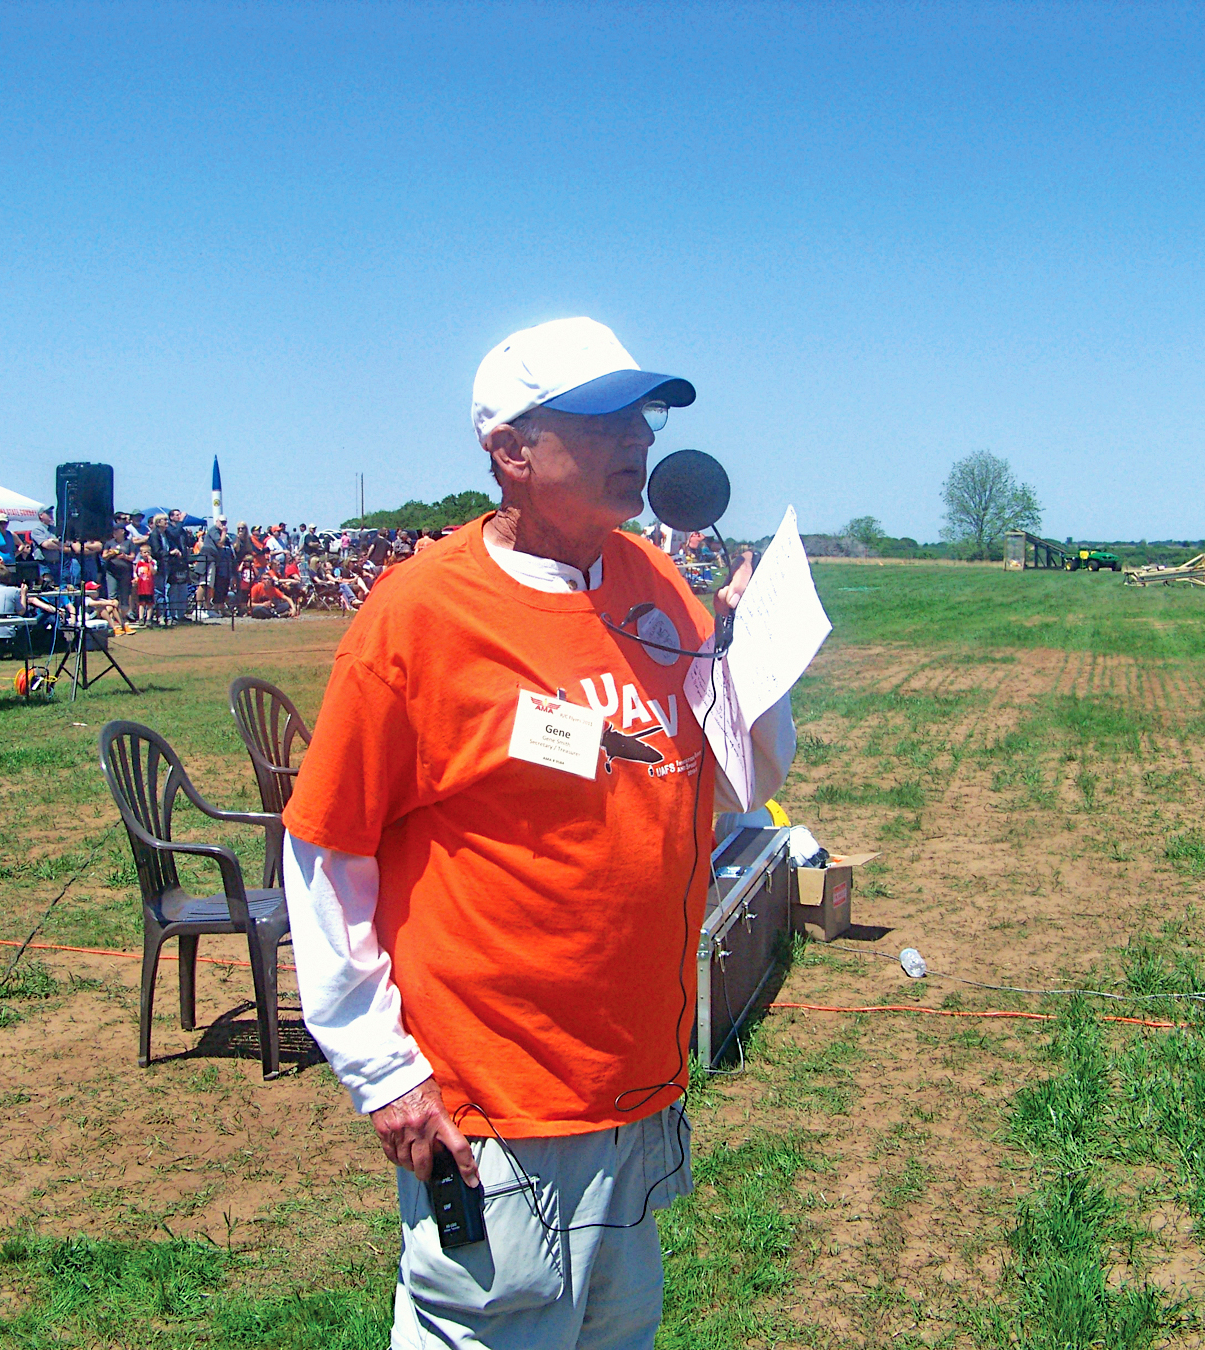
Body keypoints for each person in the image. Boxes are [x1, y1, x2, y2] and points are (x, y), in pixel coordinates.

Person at [281, 318, 795, 1349]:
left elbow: (742, 786)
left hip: (637, 1088)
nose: (640, 440)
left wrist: (758, 654)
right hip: (496, 1113)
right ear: (512, 451)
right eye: (604, 418)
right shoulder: (421, 614)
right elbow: (326, 854)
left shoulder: (655, 583)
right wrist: (384, 1073)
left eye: (643, 416)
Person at [132, 543, 158, 626]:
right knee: (141, 603)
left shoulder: (153, 562)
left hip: (149, 586)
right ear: (141, 554)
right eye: (145, 552)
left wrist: (150, 563)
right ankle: (141, 618)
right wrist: (135, 578)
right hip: (141, 586)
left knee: (150, 603)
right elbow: (135, 572)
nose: (146, 554)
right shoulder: (139, 563)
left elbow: (154, 572)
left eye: (148, 552)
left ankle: (148, 618)